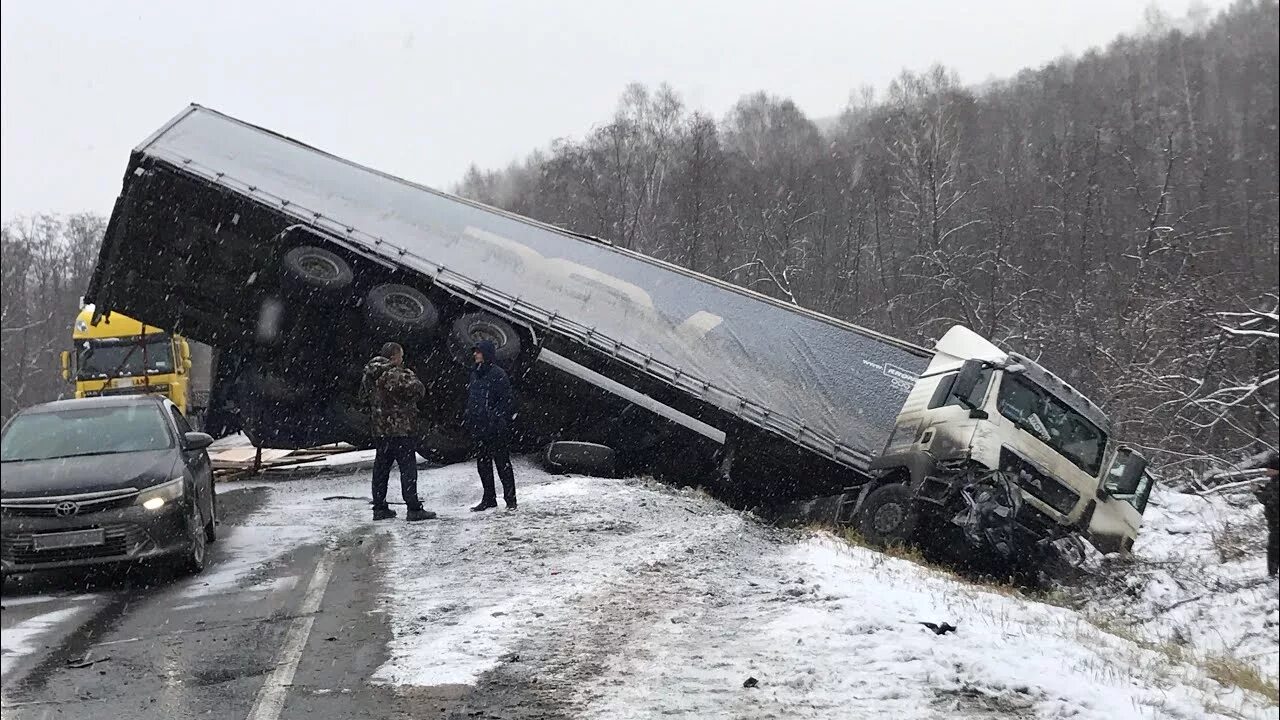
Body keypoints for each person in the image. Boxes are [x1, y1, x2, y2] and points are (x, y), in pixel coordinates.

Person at [361, 342, 436, 522]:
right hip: (400, 429)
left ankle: (379, 508)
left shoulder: (369, 374)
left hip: (380, 430)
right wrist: (410, 375)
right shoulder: (396, 373)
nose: (402, 360)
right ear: (394, 356)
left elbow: (362, 397)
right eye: (401, 356)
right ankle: (413, 508)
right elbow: (418, 390)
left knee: (381, 470)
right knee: (407, 469)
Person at [464, 340, 517, 511]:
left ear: (486, 354)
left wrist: (496, 417)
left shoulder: (498, 374)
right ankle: (489, 498)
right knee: (483, 464)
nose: (475, 354)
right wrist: (470, 415)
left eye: (478, 352)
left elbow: (506, 400)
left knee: (502, 463)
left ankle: (511, 500)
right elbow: (473, 397)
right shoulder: (475, 373)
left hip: (495, 428)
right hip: (479, 426)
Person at [1255, 450, 1279, 578]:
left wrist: (1257, 491)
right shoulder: (1274, 481)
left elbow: (1269, 500)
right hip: (1275, 521)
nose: (1266, 471)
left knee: (1274, 549)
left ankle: (1272, 573)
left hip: (1276, 522)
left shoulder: (1276, 482)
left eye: (1269, 468)